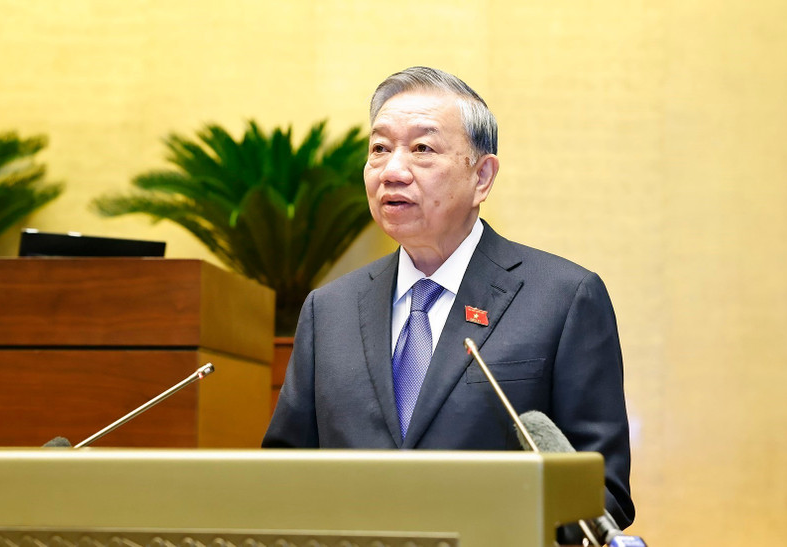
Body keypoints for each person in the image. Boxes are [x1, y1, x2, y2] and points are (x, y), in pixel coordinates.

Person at [263, 66, 635, 531]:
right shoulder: (329, 309)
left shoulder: (563, 298)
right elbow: (282, 474)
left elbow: (601, 493)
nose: (392, 170)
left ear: (482, 176)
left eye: (422, 149)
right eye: (379, 149)